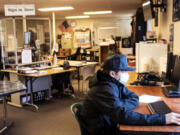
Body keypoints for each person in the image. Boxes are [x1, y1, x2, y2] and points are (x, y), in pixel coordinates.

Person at [80, 54, 180, 135]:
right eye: (124, 71)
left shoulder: (114, 82)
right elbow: (123, 116)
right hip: (102, 130)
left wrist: (120, 106)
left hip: (109, 121)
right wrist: (162, 119)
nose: (126, 74)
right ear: (112, 74)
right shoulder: (103, 89)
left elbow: (134, 97)